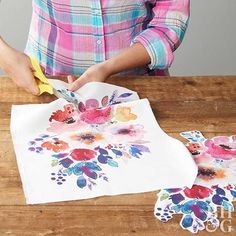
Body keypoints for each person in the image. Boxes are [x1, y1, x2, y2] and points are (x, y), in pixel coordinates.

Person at [0, 0, 190, 95]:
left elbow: (169, 24)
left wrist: (107, 68)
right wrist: (4, 56)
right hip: (47, 87)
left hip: (136, 88)